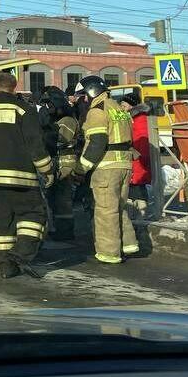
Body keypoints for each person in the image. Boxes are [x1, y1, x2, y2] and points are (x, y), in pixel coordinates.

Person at [0, 71, 54, 279]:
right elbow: (35, 144)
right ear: (14, 87)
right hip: (20, 178)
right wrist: (47, 170)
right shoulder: (24, 109)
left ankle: (6, 267)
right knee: (33, 215)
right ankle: (21, 254)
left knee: (0, 222)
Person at [73, 75, 138, 264]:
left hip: (106, 167)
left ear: (92, 92)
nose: (84, 99)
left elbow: (97, 143)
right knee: (119, 207)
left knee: (105, 212)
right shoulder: (119, 108)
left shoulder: (97, 111)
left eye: (85, 95)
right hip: (124, 165)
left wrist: (81, 169)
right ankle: (128, 244)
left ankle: (109, 253)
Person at [40, 86, 80, 241]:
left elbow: (61, 140)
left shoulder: (67, 120)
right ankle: (58, 228)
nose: (47, 108)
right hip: (57, 162)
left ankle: (65, 231)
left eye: (49, 105)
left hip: (66, 164)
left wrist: (46, 130)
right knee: (54, 198)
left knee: (63, 200)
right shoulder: (56, 120)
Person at [119, 93, 153, 222]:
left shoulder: (140, 119)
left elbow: (142, 141)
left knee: (138, 191)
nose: (121, 108)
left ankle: (140, 220)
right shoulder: (133, 118)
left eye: (124, 105)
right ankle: (134, 219)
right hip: (134, 161)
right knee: (132, 191)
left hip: (138, 162)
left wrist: (138, 156)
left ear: (132, 106)